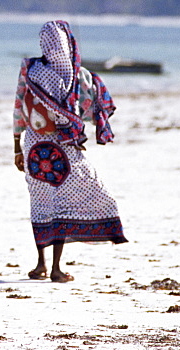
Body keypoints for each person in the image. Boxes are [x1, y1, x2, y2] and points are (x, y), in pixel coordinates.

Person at [12, 20, 127, 283]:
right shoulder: (78, 75)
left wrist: (16, 147)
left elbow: (19, 109)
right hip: (63, 146)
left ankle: (40, 265)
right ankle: (56, 269)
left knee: (40, 203)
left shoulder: (30, 70)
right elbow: (92, 106)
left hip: (34, 146)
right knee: (63, 203)